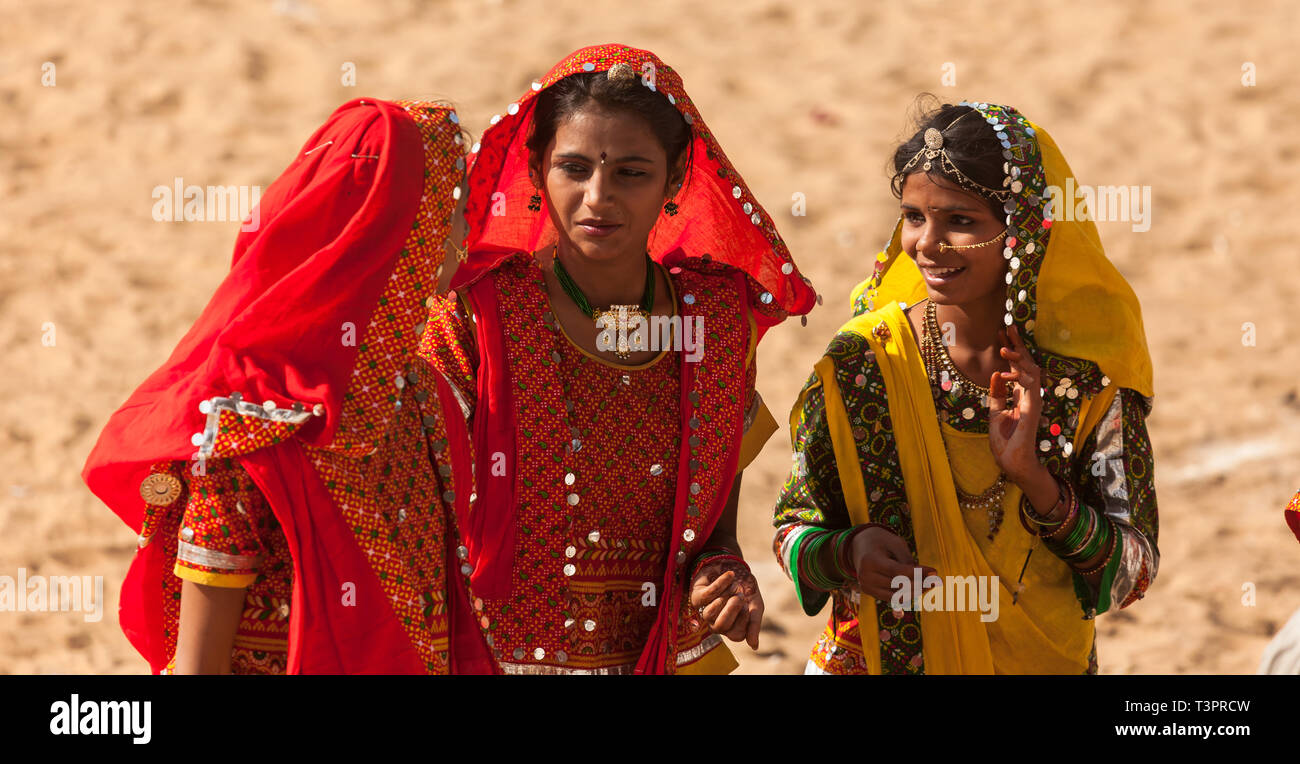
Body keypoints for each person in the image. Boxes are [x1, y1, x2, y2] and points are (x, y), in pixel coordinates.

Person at [421, 44, 815, 674]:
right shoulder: (477, 316)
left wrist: (725, 576)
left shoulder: (711, 322)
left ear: (677, 176)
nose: (598, 197)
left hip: (659, 654)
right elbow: (424, 505)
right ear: (536, 167)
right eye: (573, 168)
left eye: (630, 172)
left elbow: (712, 530)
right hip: (498, 658)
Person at [81, 98, 487, 674]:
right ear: (404, 232)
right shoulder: (254, 432)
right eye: (455, 214)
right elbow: (200, 665)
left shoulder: (422, 393)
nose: (466, 235)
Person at [773, 99, 1159, 674]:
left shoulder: (1083, 384)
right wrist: (847, 553)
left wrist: (1035, 479)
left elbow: (1132, 571)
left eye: (960, 221)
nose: (927, 244)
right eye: (913, 216)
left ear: (1023, 229)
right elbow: (792, 526)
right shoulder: (865, 363)